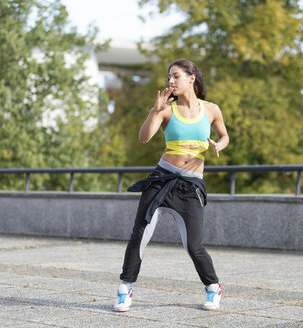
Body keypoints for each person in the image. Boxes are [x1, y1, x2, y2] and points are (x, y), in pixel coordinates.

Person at [114, 59, 229, 312]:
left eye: (176, 76)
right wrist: (155, 111)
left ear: (192, 78)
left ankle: (213, 287)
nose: (171, 82)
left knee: (194, 245)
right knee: (139, 234)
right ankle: (125, 289)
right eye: (169, 78)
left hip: (191, 186)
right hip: (162, 179)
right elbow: (144, 138)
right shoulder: (166, 109)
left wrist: (220, 144)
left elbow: (224, 134)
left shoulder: (211, 110)